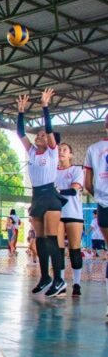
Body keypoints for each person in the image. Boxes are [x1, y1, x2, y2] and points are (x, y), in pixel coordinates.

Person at [16, 89, 66, 297]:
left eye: (43, 135)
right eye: (38, 134)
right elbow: (20, 133)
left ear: (50, 140)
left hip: (50, 196)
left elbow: (49, 128)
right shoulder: (31, 152)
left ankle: (59, 279)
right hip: (37, 196)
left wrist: (45, 106)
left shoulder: (53, 152)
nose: (39, 136)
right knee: (40, 239)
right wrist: (21, 112)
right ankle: (45, 276)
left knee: (52, 239)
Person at [83, 113, 108, 316]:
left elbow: (87, 184)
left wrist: (100, 197)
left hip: (104, 204)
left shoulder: (93, 149)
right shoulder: (93, 149)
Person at [55, 142, 84, 296]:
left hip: (73, 213)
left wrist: (57, 191)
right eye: (59, 149)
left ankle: (77, 284)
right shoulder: (52, 172)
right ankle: (60, 283)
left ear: (70, 154)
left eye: (65, 149)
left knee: (74, 249)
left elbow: (73, 191)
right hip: (57, 214)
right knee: (58, 250)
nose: (61, 151)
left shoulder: (76, 170)